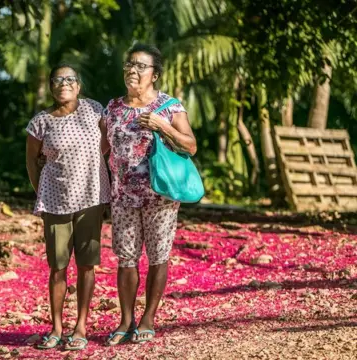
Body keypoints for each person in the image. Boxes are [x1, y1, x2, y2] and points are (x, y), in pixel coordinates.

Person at [101, 44, 197, 345]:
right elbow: (102, 149)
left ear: (154, 74)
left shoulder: (170, 106)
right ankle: (126, 320)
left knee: (158, 256)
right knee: (126, 259)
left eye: (141, 66)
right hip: (123, 197)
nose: (132, 70)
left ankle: (148, 318)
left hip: (161, 197)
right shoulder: (113, 108)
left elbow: (191, 145)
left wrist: (161, 126)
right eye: (129, 64)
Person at [25, 64, 111, 351]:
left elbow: (107, 143)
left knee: (87, 265)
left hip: (91, 199)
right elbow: (31, 161)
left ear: (79, 85)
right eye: (58, 80)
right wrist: (43, 191)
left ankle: (81, 327)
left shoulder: (94, 109)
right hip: (55, 202)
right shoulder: (41, 121)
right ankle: (57, 328)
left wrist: (91, 168)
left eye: (70, 79)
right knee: (58, 267)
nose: (64, 83)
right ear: (51, 86)